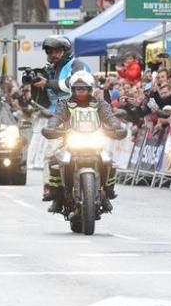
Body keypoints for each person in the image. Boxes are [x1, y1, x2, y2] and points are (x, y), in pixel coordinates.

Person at [44, 70, 125, 217]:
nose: (81, 91)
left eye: (84, 88)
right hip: (71, 143)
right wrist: (51, 126)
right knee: (54, 162)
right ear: (72, 89)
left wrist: (116, 126)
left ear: (90, 89)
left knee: (109, 162)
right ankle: (57, 198)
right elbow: (57, 117)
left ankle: (107, 193)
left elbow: (109, 117)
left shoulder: (99, 104)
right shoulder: (65, 104)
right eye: (78, 88)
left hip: (94, 142)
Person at [28, 36, 90, 204]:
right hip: (59, 117)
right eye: (50, 52)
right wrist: (34, 85)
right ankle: (51, 188)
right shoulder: (49, 69)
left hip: (83, 115)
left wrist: (48, 83)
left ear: (66, 51)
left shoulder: (78, 65)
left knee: (104, 151)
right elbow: (44, 97)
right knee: (51, 152)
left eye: (57, 51)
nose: (53, 55)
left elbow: (75, 83)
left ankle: (106, 188)